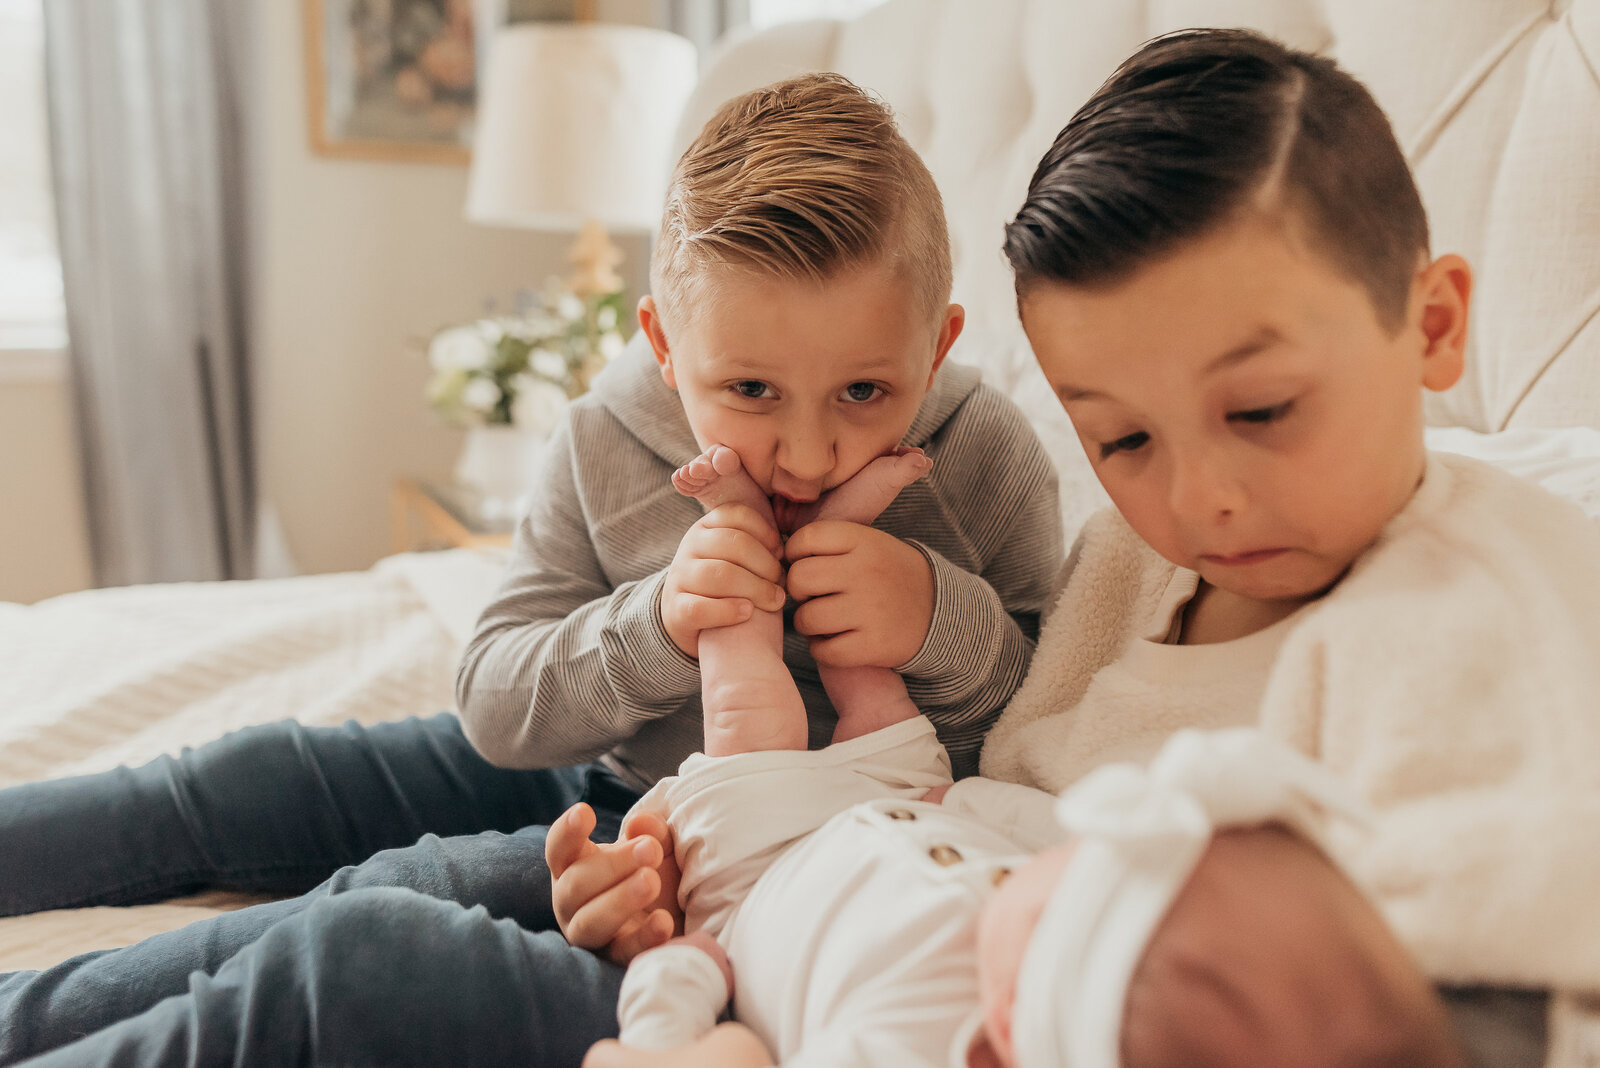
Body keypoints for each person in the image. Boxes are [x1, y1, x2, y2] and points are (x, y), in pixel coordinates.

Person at [552, 27, 1600, 1064]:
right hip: (777, 933)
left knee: (393, 957)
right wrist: (692, 879)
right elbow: (978, 783)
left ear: (1431, 324)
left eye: (1264, 410)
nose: (1200, 501)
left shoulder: (1487, 626)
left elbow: (1477, 999)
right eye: (1123, 438)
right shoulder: (1126, 561)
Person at [0, 72, 1061, 1066]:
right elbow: (497, 703)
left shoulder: (986, 451)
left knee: (396, 899)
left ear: (934, 346)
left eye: (865, 394)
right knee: (252, 778)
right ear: (661, 345)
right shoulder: (606, 431)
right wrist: (654, 627)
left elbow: (1037, 736)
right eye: (747, 390)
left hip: (711, 848)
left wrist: (937, 621)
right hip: (595, 750)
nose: (808, 452)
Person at [577, 444, 1463, 1068]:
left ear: (1003, 1042)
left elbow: (675, 1046)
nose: (1058, 872)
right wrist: (963, 808)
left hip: (762, 873)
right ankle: (830, 536)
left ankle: (740, 530)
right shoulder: (1103, 929)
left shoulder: (908, 1046)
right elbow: (1052, 821)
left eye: (1051, 903)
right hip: (920, 797)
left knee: (747, 699)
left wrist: (677, 978)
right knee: (873, 685)